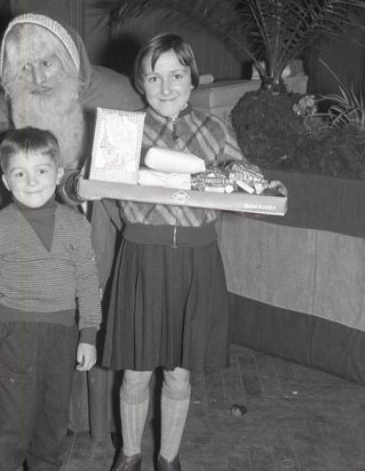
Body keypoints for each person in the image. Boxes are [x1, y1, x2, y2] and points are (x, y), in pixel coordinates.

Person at [0, 13, 144, 470]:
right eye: (25, 68)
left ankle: (99, 430)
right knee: (17, 412)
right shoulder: (8, 102)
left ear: (71, 60)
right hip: (22, 269)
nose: (39, 77)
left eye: (48, 63)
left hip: (97, 227)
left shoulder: (115, 92)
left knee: (85, 342)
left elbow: (138, 164)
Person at [102, 34, 286, 471]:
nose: (166, 88)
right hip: (142, 260)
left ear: (192, 79)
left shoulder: (215, 129)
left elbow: (242, 175)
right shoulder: (124, 130)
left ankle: (168, 458)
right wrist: (75, 183)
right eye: (154, 77)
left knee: (179, 370)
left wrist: (266, 187)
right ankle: (129, 454)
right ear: (141, 83)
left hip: (196, 261)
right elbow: (95, 180)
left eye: (176, 75)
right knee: (136, 371)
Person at [0, 127, 101, 470]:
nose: (31, 182)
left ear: (58, 174)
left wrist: (88, 335)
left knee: (52, 426)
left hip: (61, 338)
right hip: (12, 337)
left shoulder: (76, 225)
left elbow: (88, 282)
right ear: (6, 180)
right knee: (8, 429)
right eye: (20, 174)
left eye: (41, 171)